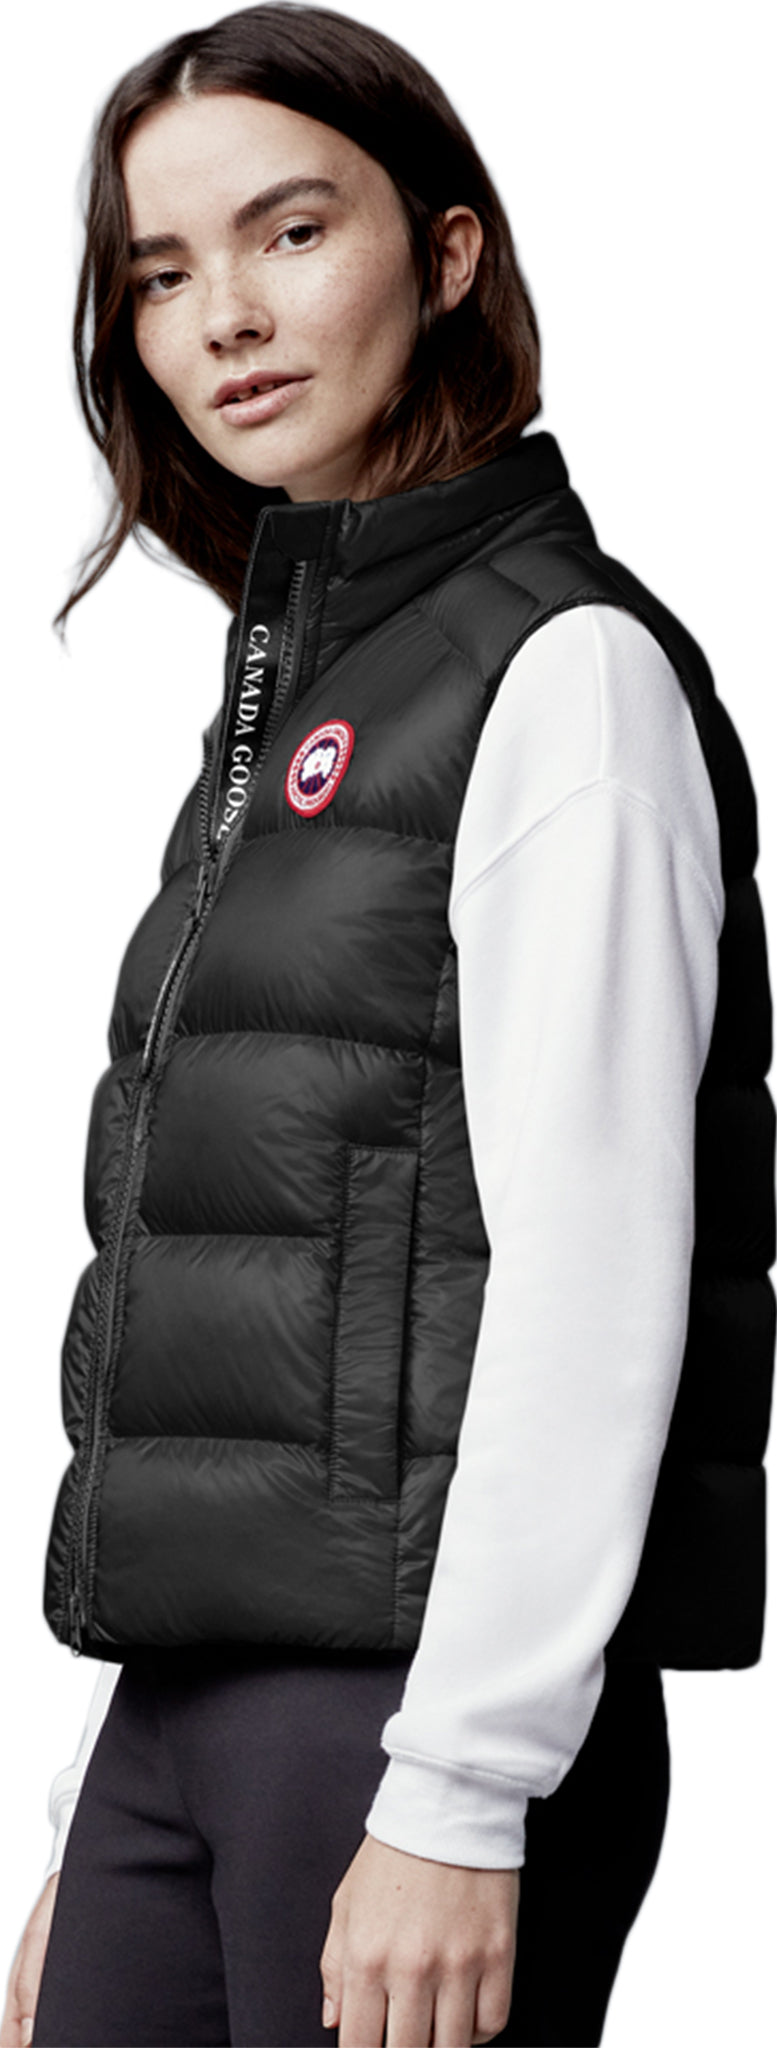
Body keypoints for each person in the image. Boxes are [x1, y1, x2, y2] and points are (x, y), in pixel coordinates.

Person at [2, 4, 773, 2045]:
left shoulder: (563, 675)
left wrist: (461, 1785)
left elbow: (598, 1273)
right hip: (187, 1714)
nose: (224, 320)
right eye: (158, 275)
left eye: (289, 232)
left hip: (406, 1727)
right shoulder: (293, 705)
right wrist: (99, 1808)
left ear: (443, 256)